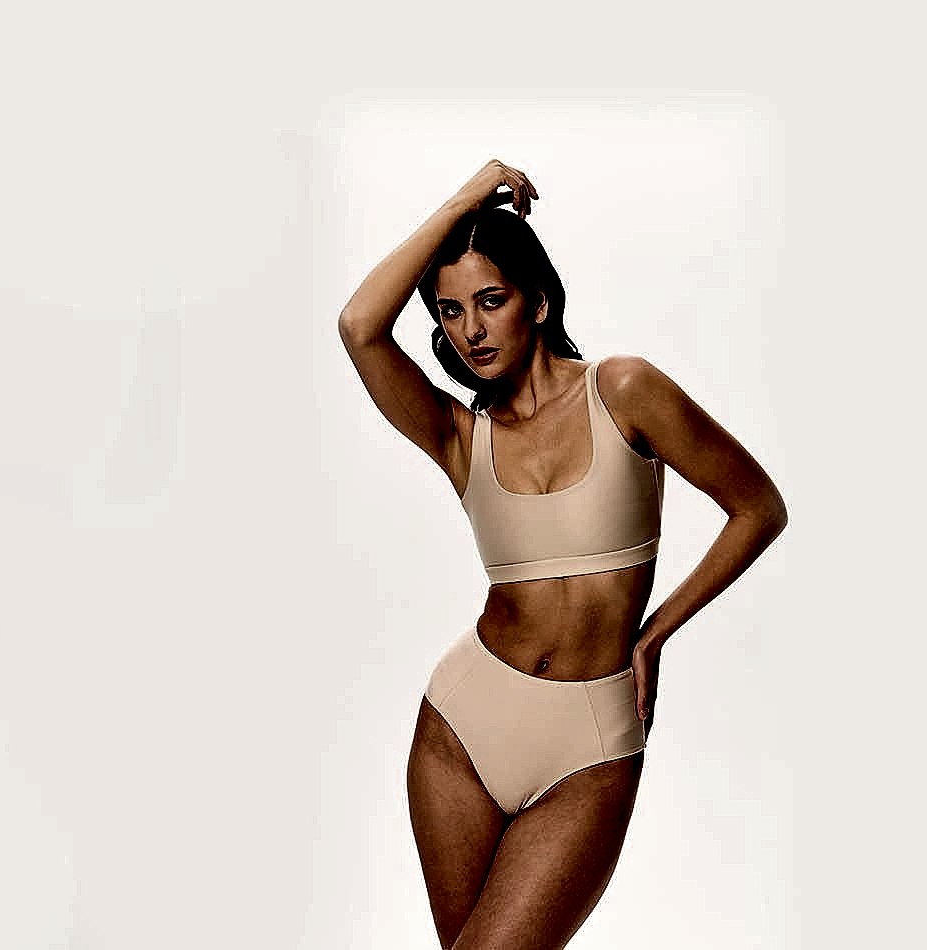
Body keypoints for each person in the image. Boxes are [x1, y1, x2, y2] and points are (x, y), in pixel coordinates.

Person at [336, 159, 789, 949]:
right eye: (449, 311)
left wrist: (655, 632)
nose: (471, 330)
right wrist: (463, 201)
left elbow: (758, 508)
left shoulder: (625, 392)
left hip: (591, 743)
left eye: (491, 300)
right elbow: (358, 327)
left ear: (538, 301)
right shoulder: (460, 436)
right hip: (461, 731)